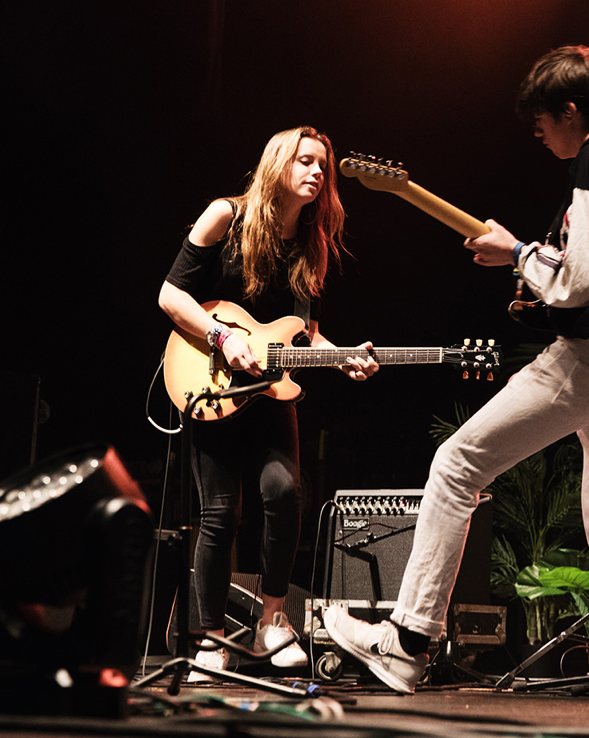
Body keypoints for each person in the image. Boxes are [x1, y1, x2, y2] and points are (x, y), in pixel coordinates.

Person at [324, 45, 589, 693]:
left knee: (456, 465)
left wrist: (520, 253)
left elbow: (583, 282)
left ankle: (408, 640)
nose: (537, 133)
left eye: (542, 119)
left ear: (570, 109)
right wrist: (532, 267)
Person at [159, 126, 379, 681]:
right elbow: (170, 294)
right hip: (212, 381)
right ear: (279, 162)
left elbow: (307, 335)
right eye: (306, 161)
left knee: (285, 493)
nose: (317, 172)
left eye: (323, 166)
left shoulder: (312, 244)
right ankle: (209, 639)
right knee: (221, 512)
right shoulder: (224, 217)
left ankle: (272, 622)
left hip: (272, 389)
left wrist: (342, 356)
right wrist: (223, 336)